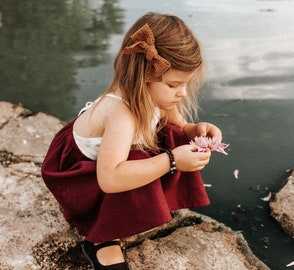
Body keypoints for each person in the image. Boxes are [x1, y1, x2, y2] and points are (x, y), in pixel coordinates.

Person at [41, 12, 223, 270]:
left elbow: (176, 122)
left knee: (175, 135)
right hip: (79, 177)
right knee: (142, 162)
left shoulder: (155, 96)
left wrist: (194, 129)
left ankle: (156, 201)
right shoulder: (121, 113)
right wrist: (171, 160)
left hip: (106, 163)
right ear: (144, 75)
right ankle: (102, 240)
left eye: (186, 84)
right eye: (173, 85)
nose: (182, 93)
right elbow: (111, 178)